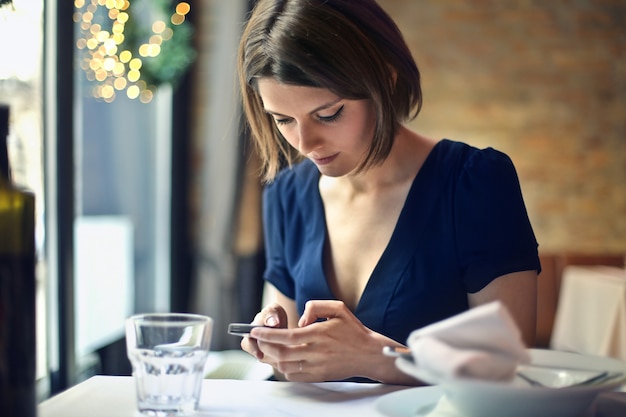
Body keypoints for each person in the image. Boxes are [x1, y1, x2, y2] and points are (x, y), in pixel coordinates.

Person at [237, 0, 540, 385]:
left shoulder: (474, 183)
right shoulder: (286, 196)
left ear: (388, 78)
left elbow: (510, 370)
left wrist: (375, 357)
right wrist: (274, 343)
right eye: (283, 120)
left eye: (328, 114)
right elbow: (288, 363)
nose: (305, 143)